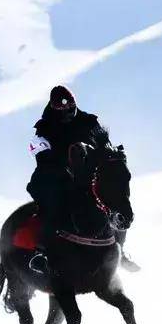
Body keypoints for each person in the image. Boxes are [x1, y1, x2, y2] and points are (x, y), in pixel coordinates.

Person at [26, 85, 138, 275]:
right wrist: (65, 168)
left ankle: (119, 248)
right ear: (54, 109)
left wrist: (111, 155)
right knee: (52, 201)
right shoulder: (43, 129)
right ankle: (42, 251)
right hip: (54, 176)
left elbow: (105, 145)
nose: (68, 113)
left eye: (71, 108)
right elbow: (42, 157)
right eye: (63, 110)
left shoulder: (89, 121)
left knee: (114, 195)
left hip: (88, 173)